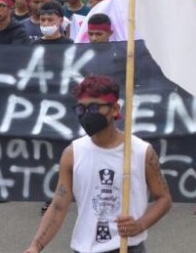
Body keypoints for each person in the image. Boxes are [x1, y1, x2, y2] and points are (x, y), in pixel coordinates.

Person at [23, 75, 172, 253]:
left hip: (127, 247)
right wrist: (36, 246)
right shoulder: (72, 154)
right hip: (84, 248)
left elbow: (164, 198)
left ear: (115, 109)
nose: (87, 114)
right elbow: (58, 205)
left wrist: (140, 225)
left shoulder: (141, 152)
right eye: (81, 109)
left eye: (94, 107)